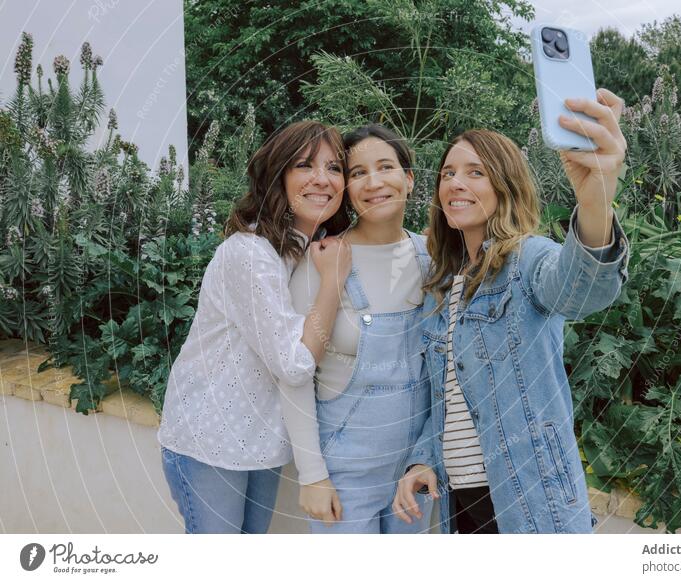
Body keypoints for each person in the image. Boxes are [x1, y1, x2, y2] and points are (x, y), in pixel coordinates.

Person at [393, 89, 631, 533]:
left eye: (475, 172)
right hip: (457, 504)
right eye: (447, 173)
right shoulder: (440, 287)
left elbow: (581, 290)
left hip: (530, 500)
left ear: (504, 186)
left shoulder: (526, 259)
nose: (455, 183)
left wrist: (597, 198)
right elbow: (445, 400)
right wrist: (422, 461)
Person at [157, 121, 352, 533]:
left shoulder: (308, 252)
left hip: (264, 443)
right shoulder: (249, 254)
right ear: (278, 176)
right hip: (210, 441)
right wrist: (333, 283)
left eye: (335, 168)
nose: (323, 179)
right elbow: (295, 364)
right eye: (305, 165)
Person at [279, 124, 433, 533]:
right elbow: (295, 378)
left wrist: (428, 458)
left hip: (414, 474)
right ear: (346, 188)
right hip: (343, 477)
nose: (374, 181)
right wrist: (312, 475)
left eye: (386, 166)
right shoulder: (321, 261)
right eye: (358, 172)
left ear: (409, 179)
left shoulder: (433, 259)